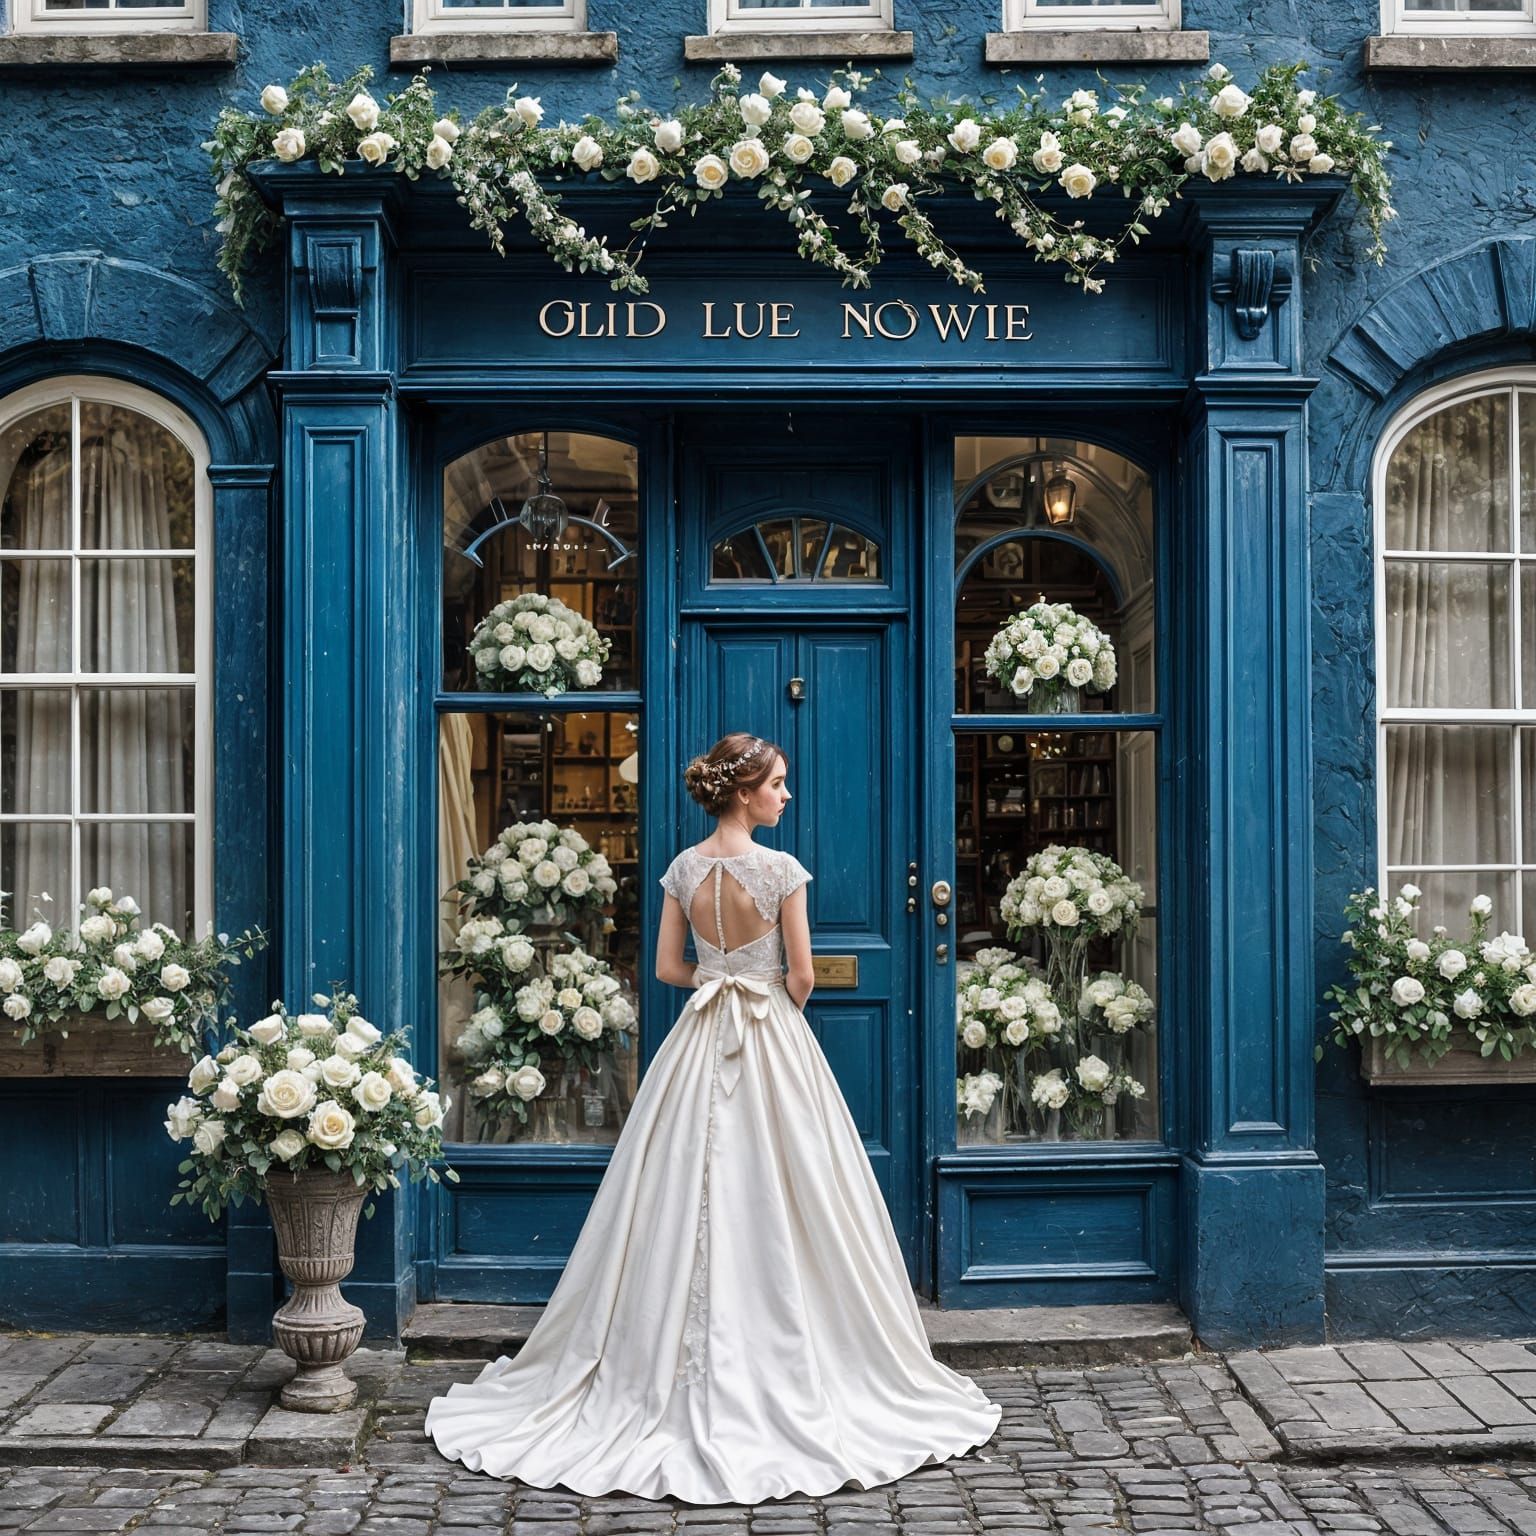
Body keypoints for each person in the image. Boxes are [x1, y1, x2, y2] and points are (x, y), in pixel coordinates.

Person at [424, 732, 1002, 1502]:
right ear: (744, 792)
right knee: (790, 1191)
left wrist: (720, 979)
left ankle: (648, 1366)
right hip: (769, 1040)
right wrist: (765, 999)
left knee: (673, 1186)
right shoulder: (781, 872)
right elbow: (800, 975)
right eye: (778, 783)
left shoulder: (684, 871)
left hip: (700, 1040)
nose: (786, 795)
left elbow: (667, 970)